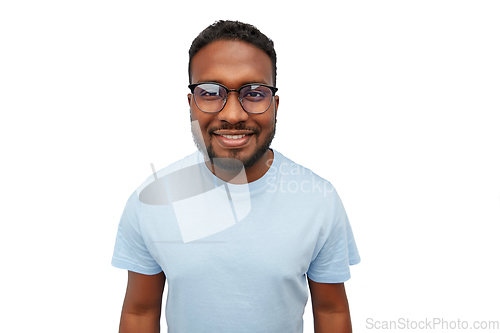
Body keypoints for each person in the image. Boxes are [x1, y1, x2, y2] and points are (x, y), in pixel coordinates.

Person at [112, 20, 360, 333]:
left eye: (254, 93)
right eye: (211, 92)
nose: (232, 114)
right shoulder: (154, 200)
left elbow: (332, 311)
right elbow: (139, 312)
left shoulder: (318, 199)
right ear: (191, 105)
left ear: (275, 106)